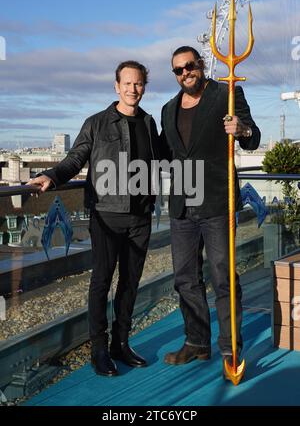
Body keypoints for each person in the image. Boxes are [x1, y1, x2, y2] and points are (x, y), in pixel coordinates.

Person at [28, 60, 160, 377]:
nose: (133, 89)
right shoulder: (97, 122)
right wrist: (51, 176)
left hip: (140, 215)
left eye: (139, 83)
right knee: (101, 282)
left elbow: (162, 160)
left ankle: (121, 344)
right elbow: (75, 159)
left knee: (130, 283)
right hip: (105, 215)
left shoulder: (149, 122)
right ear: (117, 86)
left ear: (144, 86)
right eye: (127, 83)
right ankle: (99, 351)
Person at [160, 46, 261, 375]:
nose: (185, 73)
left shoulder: (227, 93)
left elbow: (253, 138)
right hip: (181, 204)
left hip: (217, 202)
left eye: (189, 66)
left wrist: (241, 130)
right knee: (185, 279)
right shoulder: (167, 109)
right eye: (178, 70)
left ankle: (231, 349)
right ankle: (196, 343)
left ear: (200, 65)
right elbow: (162, 151)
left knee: (223, 280)